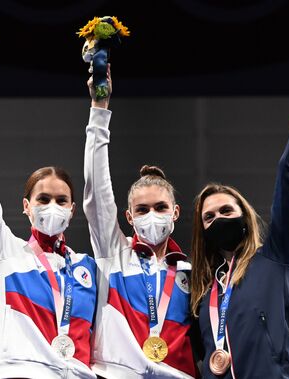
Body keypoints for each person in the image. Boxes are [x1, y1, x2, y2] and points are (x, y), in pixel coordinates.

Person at [0, 63, 98, 379]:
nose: (52, 206)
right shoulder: (5, 253)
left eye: (61, 200)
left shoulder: (89, 269)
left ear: (72, 210)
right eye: (43, 199)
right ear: (26, 207)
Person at [189, 65, 289, 378]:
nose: (218, 218)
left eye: (226, 211)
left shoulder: (274, 257)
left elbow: (288, 174)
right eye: (209, 216)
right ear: (202, 231)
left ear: (244, 216)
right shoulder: (204, 291)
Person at [82, 65, 199, 378]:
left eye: (160, 207)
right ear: (128, 217)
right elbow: (96, 195)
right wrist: (99, 108)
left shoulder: (192, 271)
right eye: (142, 209)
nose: (152, 215)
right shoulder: (114, 254)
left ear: (175, 213)